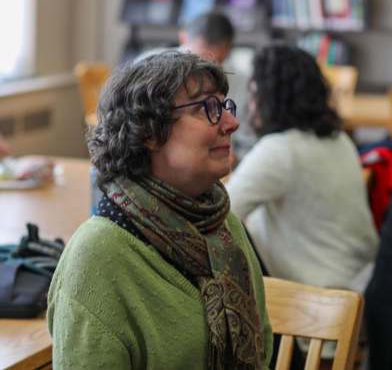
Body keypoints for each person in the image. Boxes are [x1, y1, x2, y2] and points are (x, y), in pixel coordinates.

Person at [48, 50, 272, 369]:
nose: (232, 123)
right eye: (206, 108)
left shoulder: (224, 227)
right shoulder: (98, 255)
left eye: (224, 106)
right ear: (149, 131)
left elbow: (262, 350)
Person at [227, 43, 378, 291]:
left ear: (268, 98)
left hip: (320, 299)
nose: (250, 105)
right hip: (362, 280)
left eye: (254, 94)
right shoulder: (338, 138)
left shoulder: (278, 151)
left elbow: (221, 215)